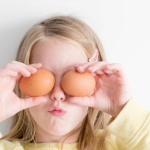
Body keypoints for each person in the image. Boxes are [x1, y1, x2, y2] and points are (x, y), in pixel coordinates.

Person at [0, 15, 150, 150]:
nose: (57, 95)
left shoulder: (120, 145)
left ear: (95, 83)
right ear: (22, 82)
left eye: (72, 77)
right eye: (44, 77)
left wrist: (123, 109)